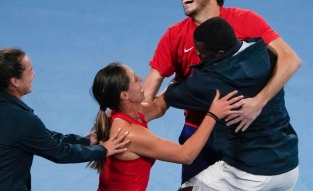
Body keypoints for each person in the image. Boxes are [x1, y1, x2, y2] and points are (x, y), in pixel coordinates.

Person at [143, 0, 302, 183]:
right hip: (198, 134)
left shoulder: (246, 20)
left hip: (243, 137)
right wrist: (120, 123)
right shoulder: (173, 36)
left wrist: (258, 102)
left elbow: (289, 59)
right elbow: (149, 95)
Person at [0, 39, 130, 191]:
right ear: (15, 81)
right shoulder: (22, 119)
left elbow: (41, 135)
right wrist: (102, 150)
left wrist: (86, 141)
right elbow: (60, 152)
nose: (34, 74)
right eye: (30, 71)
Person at [164, 17, 299, 191]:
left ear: (220, 53)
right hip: (289, 166)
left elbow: (172, 94)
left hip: (249, 173)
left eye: (202, 54)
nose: (198, 56)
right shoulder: (268, 55)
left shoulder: (208, 82)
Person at [88, 62, 244, 191]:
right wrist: (213, 114)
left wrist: (183, 78)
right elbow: (186, 155)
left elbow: (158, 105)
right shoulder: (129, 134)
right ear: (124, 95)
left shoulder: (126, 114)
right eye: (134, 79)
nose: (140, 78)